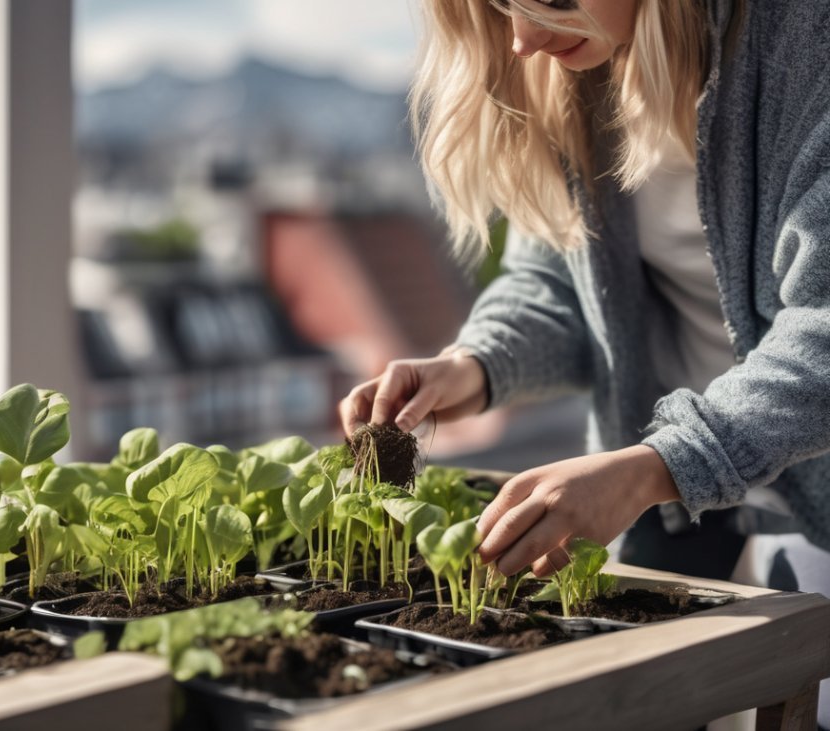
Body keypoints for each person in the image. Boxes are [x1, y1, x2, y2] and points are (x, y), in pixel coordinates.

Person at [340, 0, 830, 644]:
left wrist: (658, 464)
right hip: (675, 492)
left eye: (555, 2)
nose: (522, 39)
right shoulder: (575, 75)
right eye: (499, 6)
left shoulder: (807, 39)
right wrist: (474, 365)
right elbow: (554, 281)